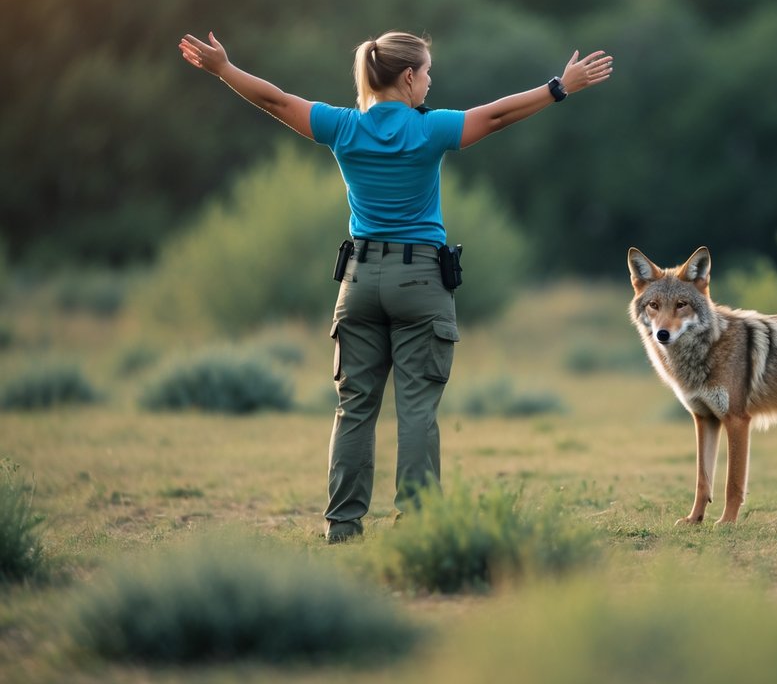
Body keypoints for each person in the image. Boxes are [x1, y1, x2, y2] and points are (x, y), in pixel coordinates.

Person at [179, 30, 613, 542]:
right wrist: (560, 87)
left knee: (354, 407)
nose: (430, 82)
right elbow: (496, 116)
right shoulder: (430, 131)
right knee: (417, 410)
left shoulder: (342, 126)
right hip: (420, 282)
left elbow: (274, 99)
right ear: (408, 77)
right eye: (427, 73)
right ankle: (419, 523)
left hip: (359, 281)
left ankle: (342, 525)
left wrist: (224, 69)